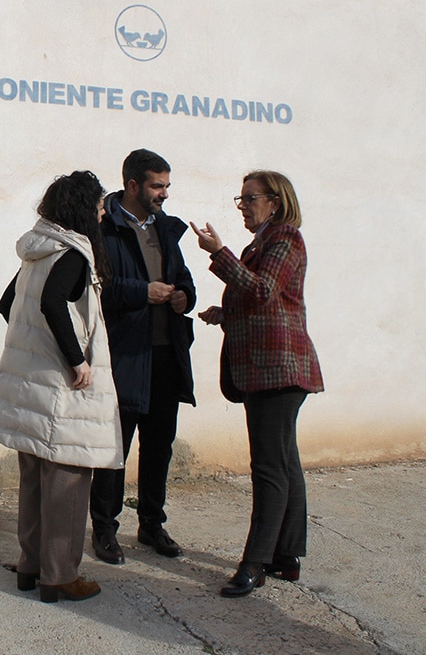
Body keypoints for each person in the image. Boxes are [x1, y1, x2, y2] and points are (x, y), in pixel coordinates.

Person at [0, 170, 123, 603]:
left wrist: (37, 352)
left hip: (32, 389)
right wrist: (74, 359)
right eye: (100, 205)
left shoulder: (37, 251)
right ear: (83, 208)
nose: (104, 213)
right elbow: (52, 304)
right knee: (67, 484)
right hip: (61, 392)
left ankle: (31, 567)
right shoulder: (73, 254)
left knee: (35, 483)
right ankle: (60, 576)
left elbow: (10, 304)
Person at [190, 170, 323, 598]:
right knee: (284, 462)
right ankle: (286, 556)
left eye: (250, 198)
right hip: (269, 368)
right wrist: (224, 314)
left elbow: (264, 290)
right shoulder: (263, 244)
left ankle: (256, 562)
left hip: (277, 371)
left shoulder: (285, 239)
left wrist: (219, 253)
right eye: (241, 199)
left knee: (268, 467)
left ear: (275, 202)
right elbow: (265, 305)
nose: (243, 205)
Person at [89, 149, 196, 565]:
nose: (164, 194)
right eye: (157, 185)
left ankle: (152, 524)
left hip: (167, 353)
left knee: (159, 446)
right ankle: (104, 529)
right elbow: (97, 288)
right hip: (125, 354)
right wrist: (142, 292)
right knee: (116, 448)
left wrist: (185, 296)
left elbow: (183, 279)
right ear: (133, 185)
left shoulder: (167, 229)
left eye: (167, 186)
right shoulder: (105, 228)